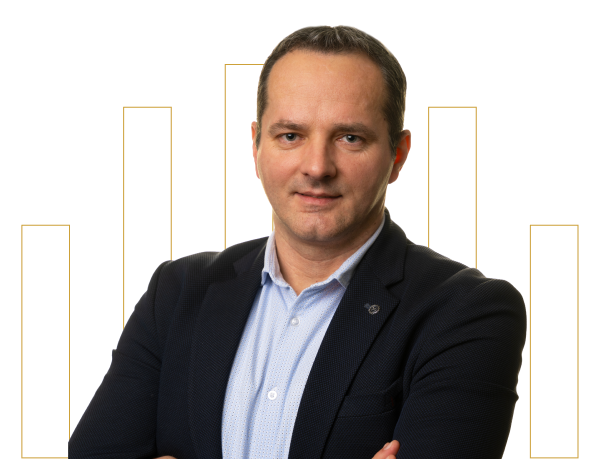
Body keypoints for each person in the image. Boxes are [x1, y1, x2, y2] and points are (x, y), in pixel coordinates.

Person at [69, 25, 526, 459]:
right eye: (291, 135)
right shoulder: (178, 290)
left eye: (350, 138)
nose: (317, 166)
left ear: (398, 155)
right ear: (256, 146)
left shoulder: (468, 312)